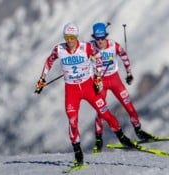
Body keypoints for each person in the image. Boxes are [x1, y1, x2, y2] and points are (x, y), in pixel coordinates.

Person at [34, 22, 136, 167]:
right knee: (73, 121)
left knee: (105, 113)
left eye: (72, 37)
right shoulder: (59, 49)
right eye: (67, 37)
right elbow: (49, 61)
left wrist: (98, 77)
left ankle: (121, 137)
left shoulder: (85, 47)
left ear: (76, 36)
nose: (69, 40)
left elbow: (99, 59)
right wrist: (42, 79)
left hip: (88, 87)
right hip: (72, 90)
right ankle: (78, 154)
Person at [90, 22, 155, 153]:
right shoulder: (89, 47)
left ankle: (139, 131)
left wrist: (129, 74)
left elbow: (124, 57)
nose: (100, 41)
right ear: (94, 38)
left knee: (129, 106)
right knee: (100, 112)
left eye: (102, 38)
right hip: (99, 82)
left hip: (114, 80)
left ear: (106, 36)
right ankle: (98, 140)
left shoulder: (113, 45)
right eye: (97, 39)